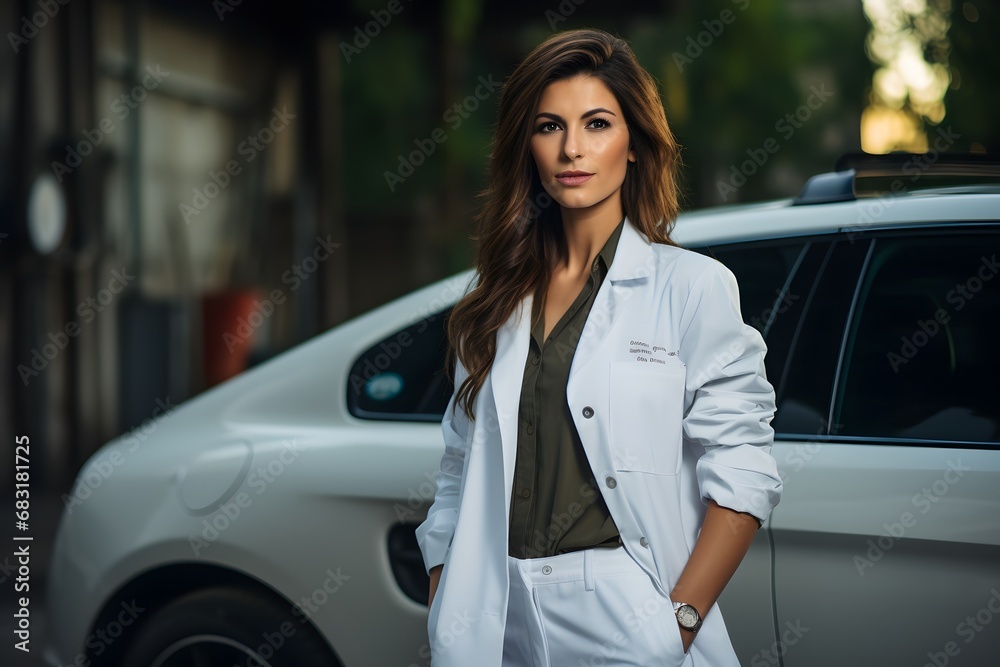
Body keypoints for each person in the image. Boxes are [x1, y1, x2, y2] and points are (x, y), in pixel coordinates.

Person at [415, 27, 782, 667]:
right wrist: (447, 595)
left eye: (597, 124)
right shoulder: (494, 299)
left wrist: (678, 624)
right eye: (550, 126)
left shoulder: (691, 287)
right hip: (495, 611)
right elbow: (458, 469)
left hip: (623, 606)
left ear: (635, 144)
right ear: (525, 146)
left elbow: (744, 471)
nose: (573, 149)